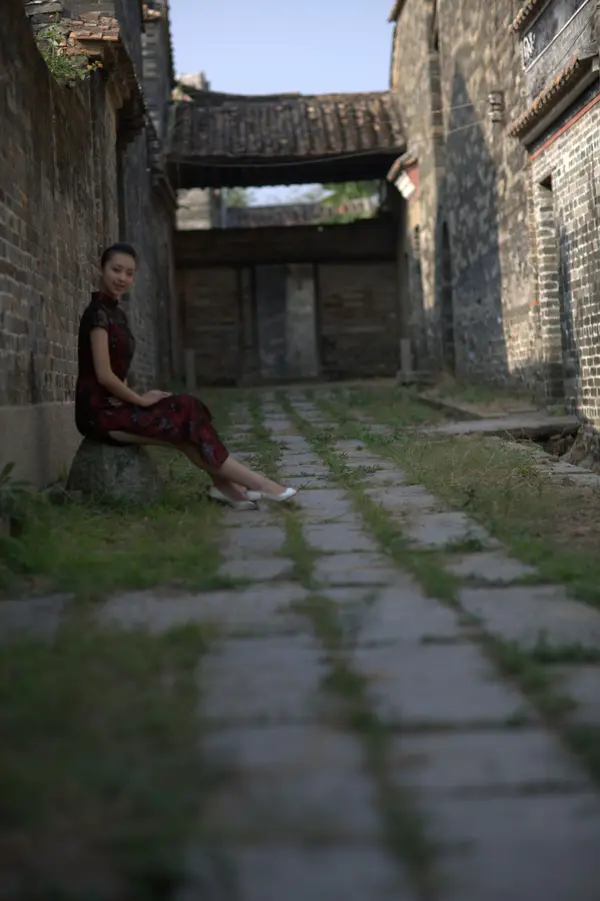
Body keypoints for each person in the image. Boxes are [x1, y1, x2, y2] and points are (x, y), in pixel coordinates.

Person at [75, 243, 297, 510]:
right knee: (183, 421)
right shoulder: (97, 314)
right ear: (101, 269)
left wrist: (128, 398)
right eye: (116, 270)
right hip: (97, 414)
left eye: (129, 273)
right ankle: (257, 485)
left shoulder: (117, 315)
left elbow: (118, 371)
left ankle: (227, 486)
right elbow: (103, 374)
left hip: (115, 406)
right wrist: (140, 400)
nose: (122, 278)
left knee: (188, 408)